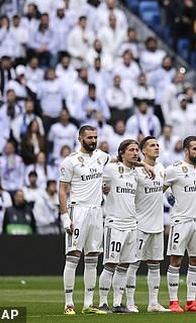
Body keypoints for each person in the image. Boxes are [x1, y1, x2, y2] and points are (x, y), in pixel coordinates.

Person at [58, 125, 152, 315]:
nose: (93, 140)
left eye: (95, 137)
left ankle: (88, 304)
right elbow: (62, 190)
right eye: (90, 138)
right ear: (80, 139)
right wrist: (65, 217)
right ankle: (69, 303)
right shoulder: (70, 161)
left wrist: (143, 164)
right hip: (78, 210)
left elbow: (121, 160)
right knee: (73, 257)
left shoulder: (101, 156)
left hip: (96, 212)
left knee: (92, 258)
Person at [164, 136, 196, 313]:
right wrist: (169, 198)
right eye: (195, 149)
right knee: (176, 259)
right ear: (186, 150)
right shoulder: (174, 169)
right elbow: (159, 188)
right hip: (180, 221)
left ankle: (191, 302)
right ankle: (173, 302)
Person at [125, 136, 169, 312]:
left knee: (155, 264)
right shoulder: (135, 171)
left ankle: (153, 303)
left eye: (157, 145)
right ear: (143, 151)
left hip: (157, 224)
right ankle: (129, 302)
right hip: (139, 224)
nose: (156, 148)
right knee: (133, 263)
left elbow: (162, 190)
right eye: (152, 145)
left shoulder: (161, 168)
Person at [97, 139, 141, 313]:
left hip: (132, 224)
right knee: (110, 264)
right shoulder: (112, 169)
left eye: (137, 150)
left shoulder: (136, 173)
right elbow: (94, 179)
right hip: (115, 223)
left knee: (124, 265)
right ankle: (102, 302)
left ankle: (117, 303)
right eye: (131, 150)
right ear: (121, 152)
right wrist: (102, 188)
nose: (136, 153)